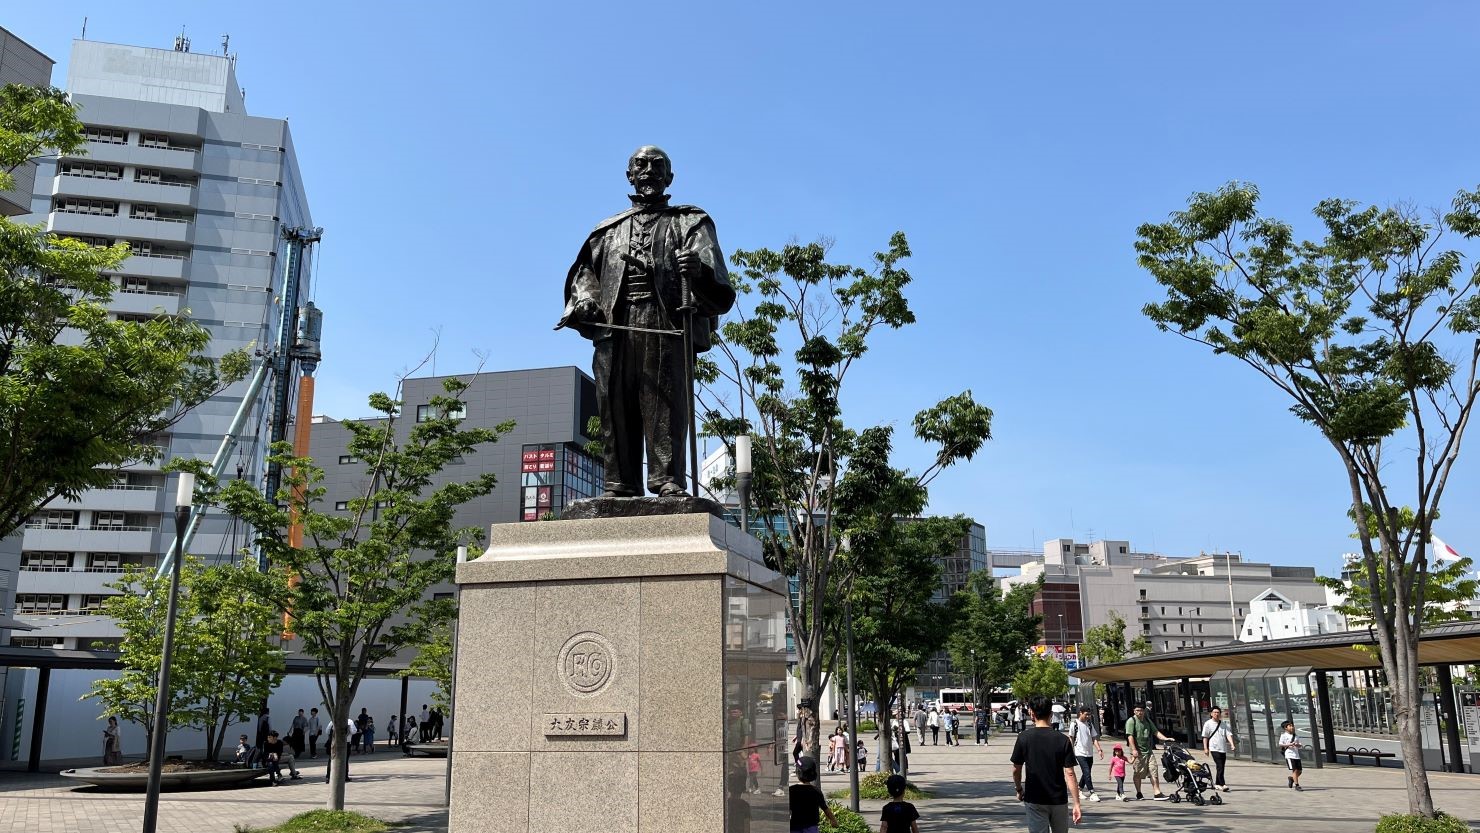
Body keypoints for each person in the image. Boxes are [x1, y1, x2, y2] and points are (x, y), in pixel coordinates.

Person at [557, 145, 735, 499]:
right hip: (616, 325)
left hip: (664, 323)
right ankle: (619, 481)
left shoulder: (690, 222)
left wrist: (697, 270)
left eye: (658, 165)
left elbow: (717, 280)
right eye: (641, 164)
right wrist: (588, 299)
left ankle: (667, 479)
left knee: (665, 402)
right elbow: (584, 273)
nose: (649, 171)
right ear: (630, 175)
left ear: (670, 177)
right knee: (614, 403)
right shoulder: (608, 231)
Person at [1011, 695, 1083, 833]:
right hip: (1059, 799)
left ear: (1032, 713)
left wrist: (1019, 789)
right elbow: (1070, 773)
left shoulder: (1024, 737)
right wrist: (1076, 804)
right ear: (1051, 713)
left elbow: (1016, 769)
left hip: (1034, 798)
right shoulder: (1063, 740)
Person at [1124, 703, 1173, 800]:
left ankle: (1157, 792)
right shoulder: (1131, 721)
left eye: (1141, 710)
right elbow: (1130, 736)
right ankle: (1139, 793)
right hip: (1138, 752)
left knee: (1153, 770)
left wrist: (1166, 739)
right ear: (1134, 711)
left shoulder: (1147, 720)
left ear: (1144, 711)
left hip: (1149, 751)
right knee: (1138, 773)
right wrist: (1134, 749)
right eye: (1137, 710)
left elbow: (1155, 732)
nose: (1139, 712)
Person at [789, 757, 837, 833]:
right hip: (811, 827)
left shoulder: (791, 790)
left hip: (795, 826)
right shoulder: (816, 791)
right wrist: (833, 820)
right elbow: (825, 808)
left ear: (797, 772)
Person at [1068, 707, 1103, 803]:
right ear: (1081, 713)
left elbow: (1094, 738)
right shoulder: (1074, 724)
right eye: (1086, 714)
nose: (1088, 716)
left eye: (1089, 714)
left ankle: (1079, 789)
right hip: (1079, 752)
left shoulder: (1089, 724)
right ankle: (1092, 792)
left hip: (1089, 752)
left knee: (1086, 773)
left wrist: (1099, 749)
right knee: (1087, 772)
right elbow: (1071, 738)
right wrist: (1070, 751)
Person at [1201, 706, 1236, 792]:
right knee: (1220, 765)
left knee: (1221, 767)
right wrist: (1205, 748)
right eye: (1215, 712)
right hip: (1214, 748)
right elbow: (1205, 737)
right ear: (1211, 714)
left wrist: (1232, 744)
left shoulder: (1223, 724)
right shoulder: (1208, 724)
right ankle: (1223, 784)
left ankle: (1217, 784)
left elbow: (1228, 734)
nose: (1216, 714)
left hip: (1222, 748)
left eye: (1218, 712)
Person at [1279, 720, 1305, 791]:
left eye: (1292, 726)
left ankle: (1291, 778)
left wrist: (1298, 745)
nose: (1292, 727)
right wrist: (1289, 744)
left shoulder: (1295, 736)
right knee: (1295, 770)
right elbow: (1280, 744)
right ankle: (1297, 785)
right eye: (1290, 726)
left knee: (1299, 771)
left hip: (1296, 755)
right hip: (1289, 755)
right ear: (1285, 728)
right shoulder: (1283, 735)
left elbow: (1299, 745)